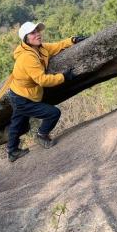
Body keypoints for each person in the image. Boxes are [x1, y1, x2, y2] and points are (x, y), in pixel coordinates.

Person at [7, 21, 87, 162]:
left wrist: (72, 40)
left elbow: (57, 46)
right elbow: (42, 80)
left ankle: (12, 151)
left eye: (38, 31)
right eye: (33, 33)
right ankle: (41, 135)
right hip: (21, 96)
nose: (37, 34)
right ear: (26, 38)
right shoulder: (27, 57)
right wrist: (63, 77)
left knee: (17, 123)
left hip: (21, 93)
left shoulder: (39, 48)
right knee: (53, 113)